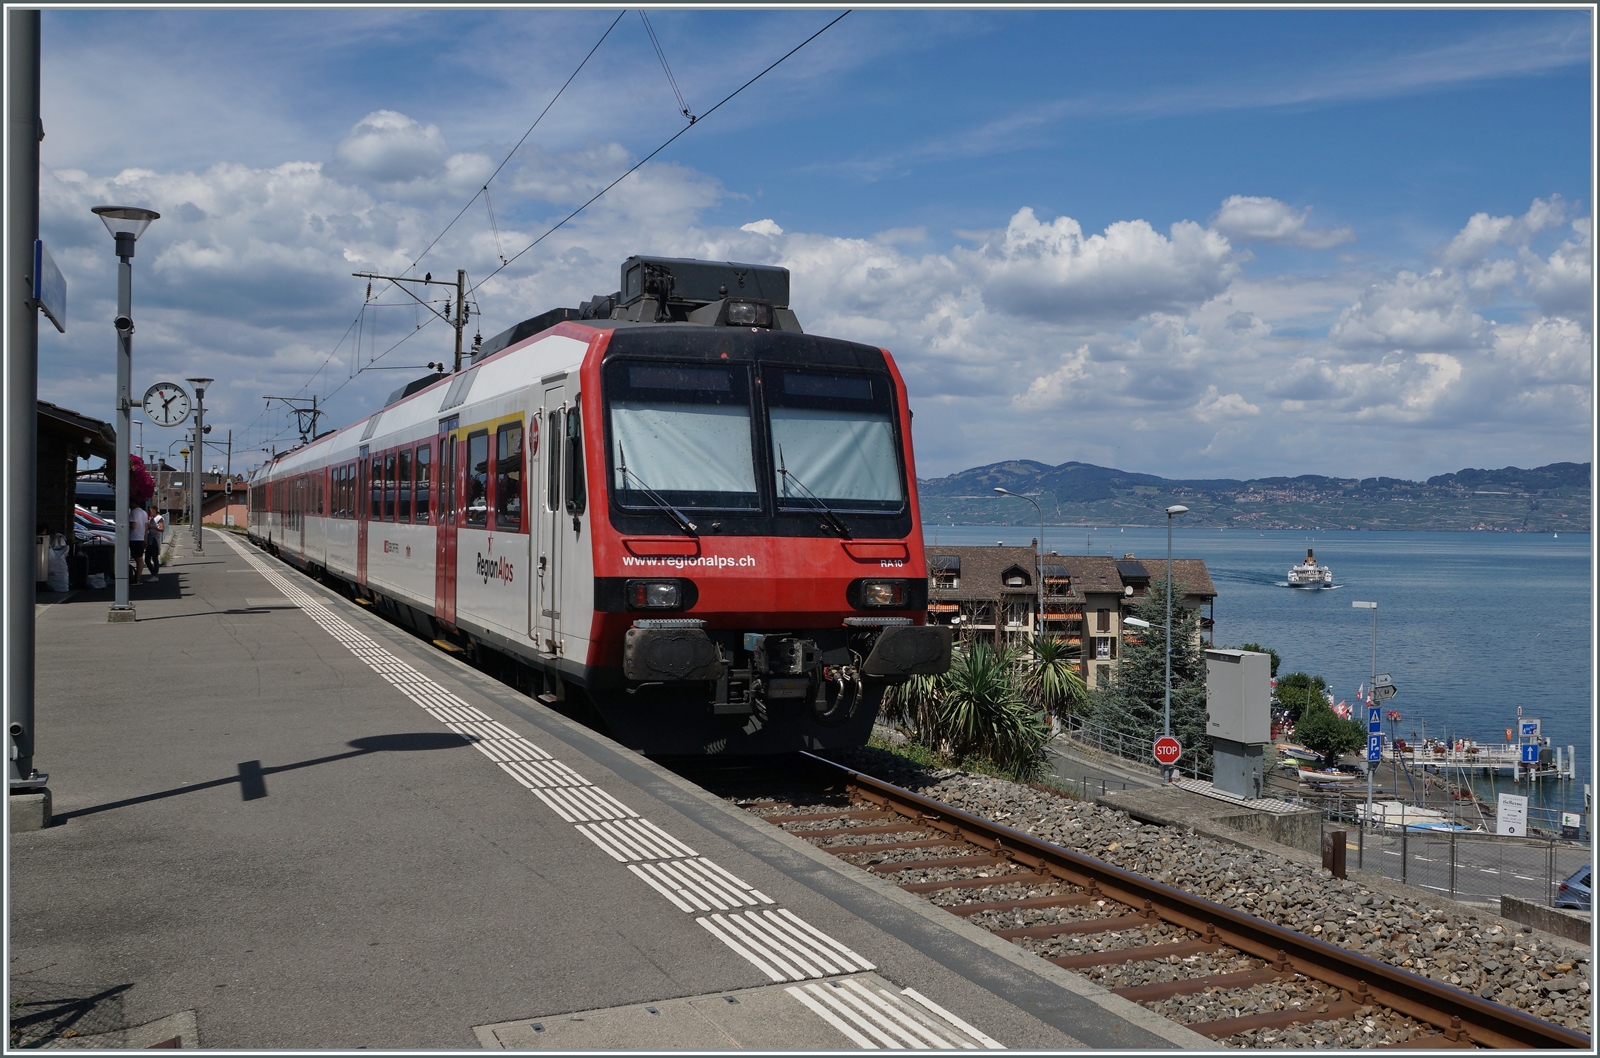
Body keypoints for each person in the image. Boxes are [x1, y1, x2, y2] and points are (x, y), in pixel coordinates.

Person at [129, 501, 148, 585]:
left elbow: (133, 526)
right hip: (141, 537)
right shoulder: (144, 513)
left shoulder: (134, 512)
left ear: (134, 503)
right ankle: (138, 578)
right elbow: (146, 527)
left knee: (138, 558)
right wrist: (145, 539)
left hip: (134, 538)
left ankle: (137, 578)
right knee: (139, 558)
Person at [145, 509, 165, 578]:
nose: (149, 513)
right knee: (147, 559)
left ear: (154, 510)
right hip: (149, 539)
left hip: (155, 539)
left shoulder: (159, 518)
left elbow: (162, 529)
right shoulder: (151, 519)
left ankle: (155, 574)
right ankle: (153, 572)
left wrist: (153, 527)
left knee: (154, 558)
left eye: (150, 511)